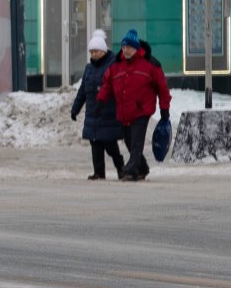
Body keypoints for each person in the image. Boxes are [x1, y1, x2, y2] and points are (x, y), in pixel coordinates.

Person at [95, 28, 171, 182]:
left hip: (142, 110)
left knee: (136, 141)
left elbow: (162, 88)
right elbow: (107, 85)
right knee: (129, 141)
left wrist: (165, 109)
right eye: (123, 47)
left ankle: (130, 170)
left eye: (129, 47)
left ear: (136, 47)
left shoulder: (151, 64)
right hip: (124, 110)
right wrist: (101, 101)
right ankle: (142, 168)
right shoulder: (116, 65)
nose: (126, 50)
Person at [70, 29, 125, 180]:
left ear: (103, 51)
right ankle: (98, 172)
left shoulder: (112, 65)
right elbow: (82, 91)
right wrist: (75, 109)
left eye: (96, 51)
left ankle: (121, 168)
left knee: (110, 144)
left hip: (108, 113)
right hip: (93, 113)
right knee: (95, 144)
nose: (93, 54)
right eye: (91, 52)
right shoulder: (89, 68)